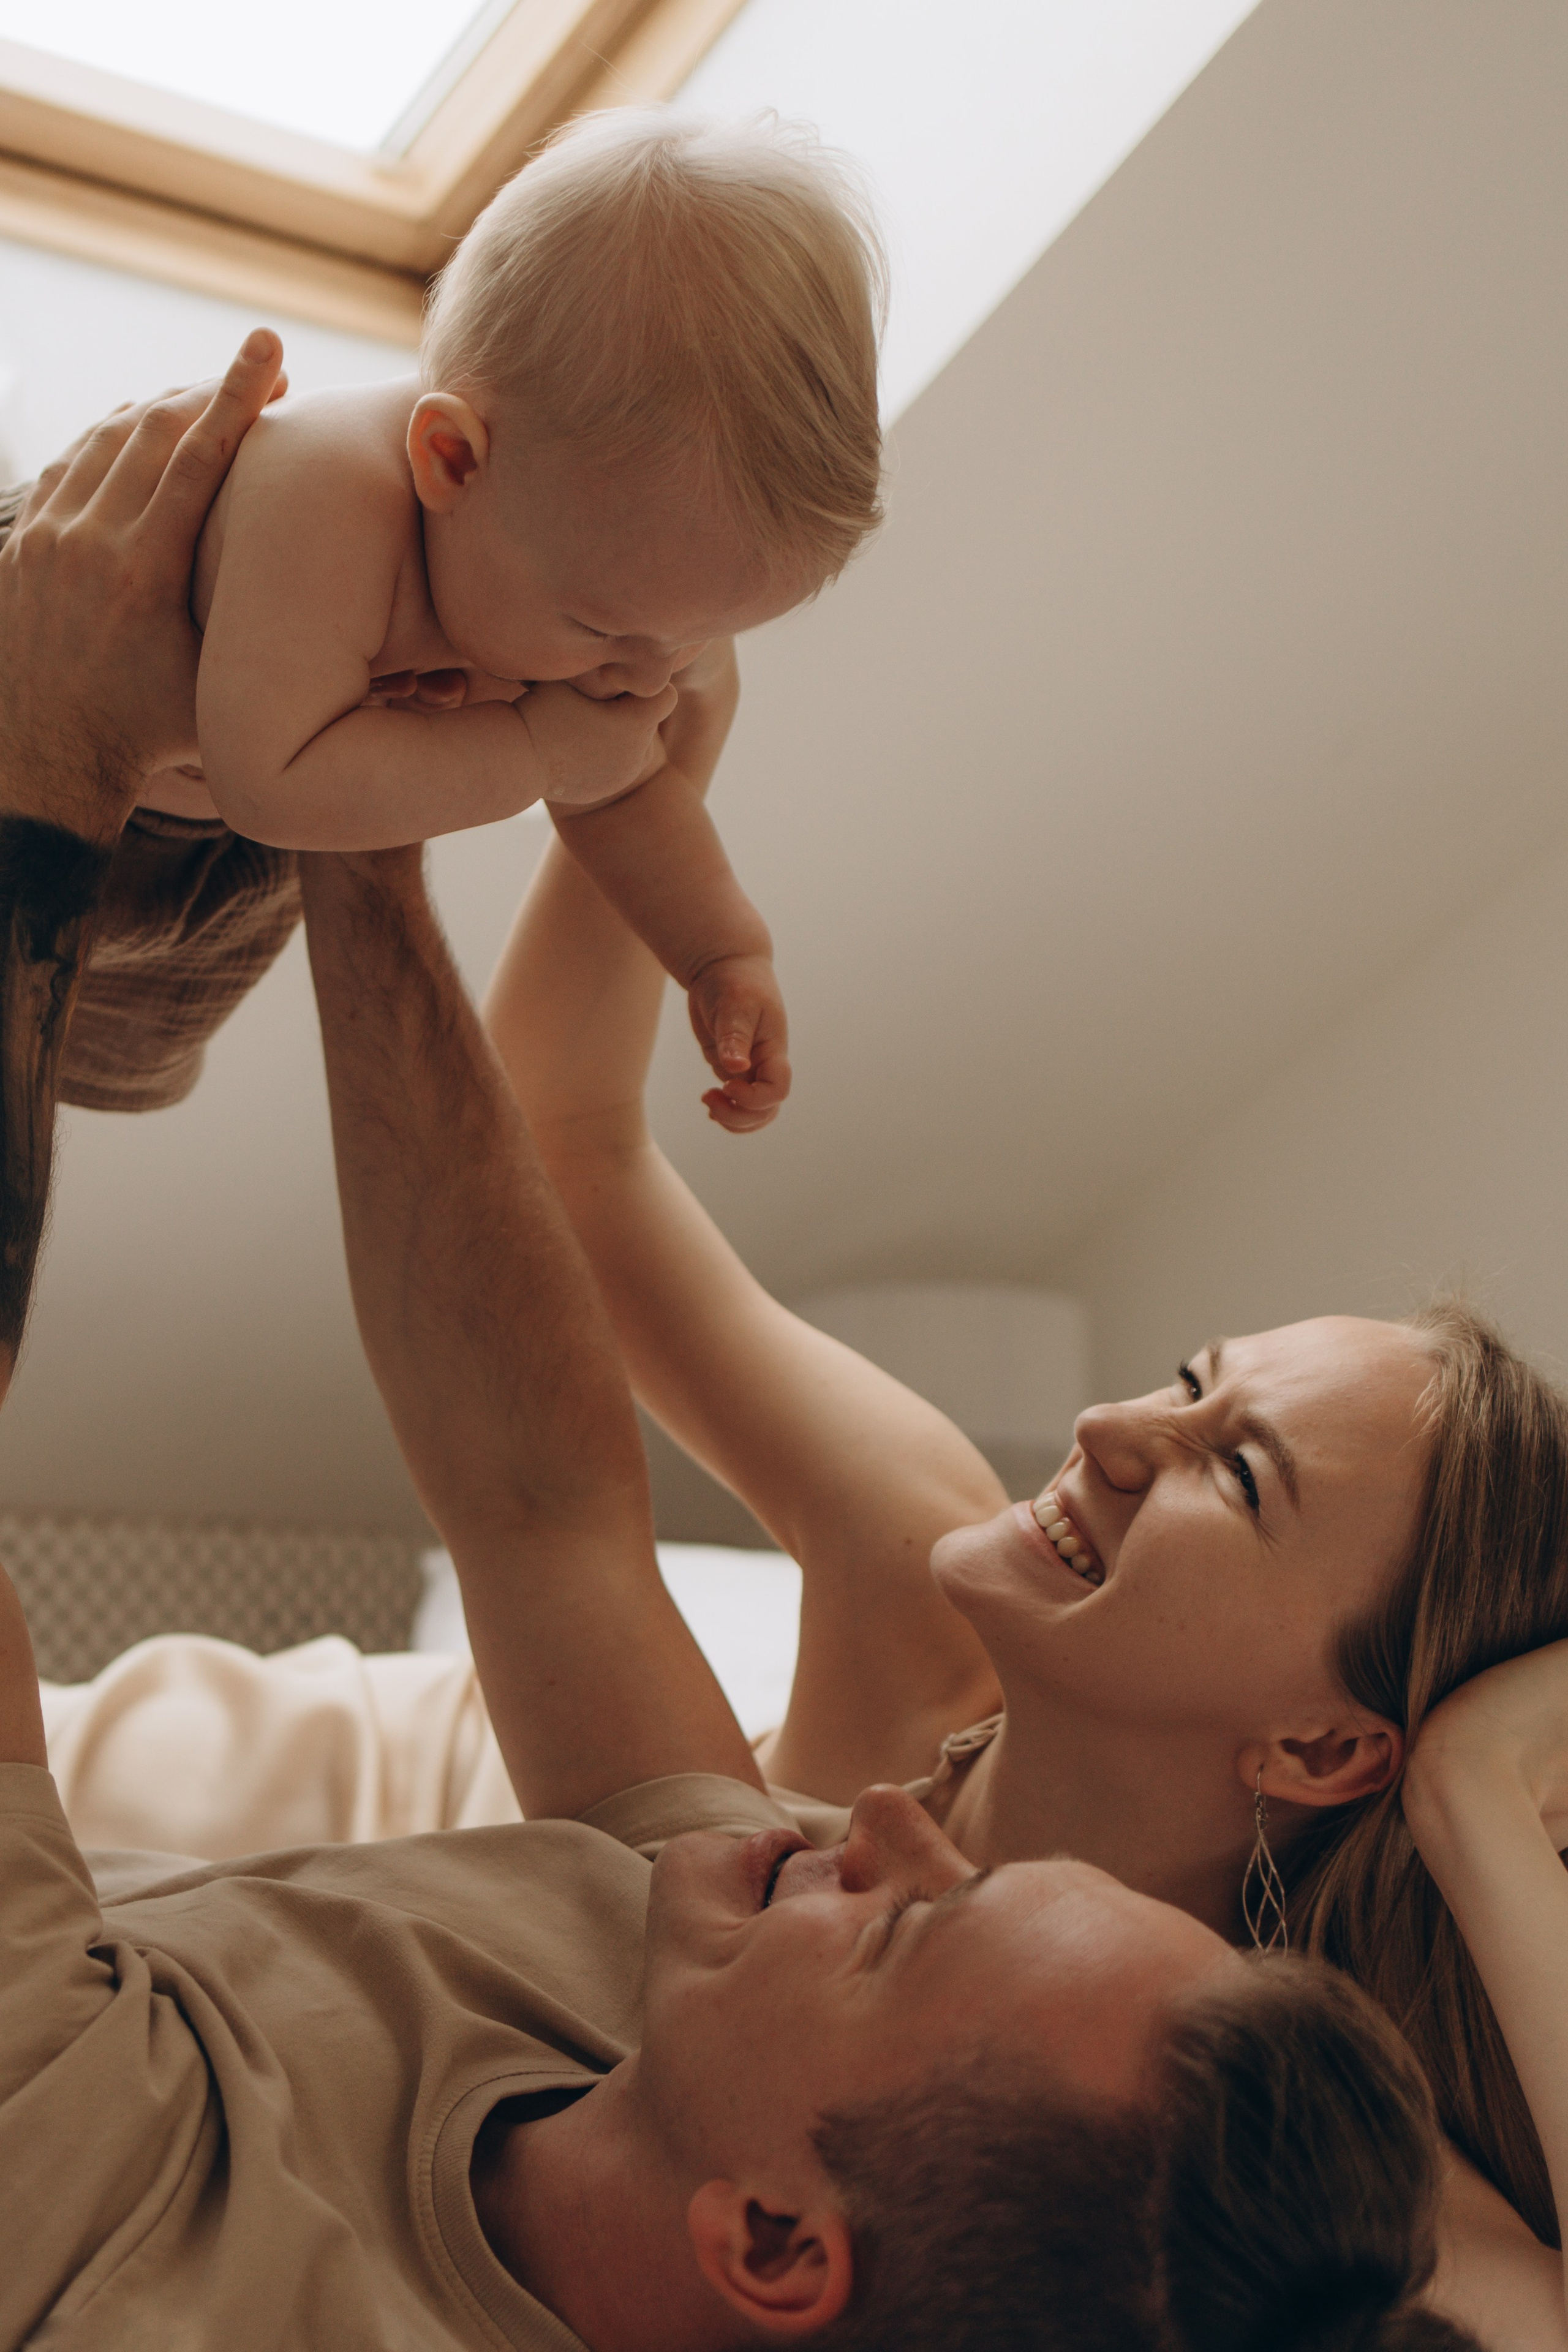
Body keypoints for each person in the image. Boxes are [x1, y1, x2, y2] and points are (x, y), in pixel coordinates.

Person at [0, 364, 1476, 2352]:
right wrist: (352, 810)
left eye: (1243, 1472)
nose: (866, 1824)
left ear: (777, 2245)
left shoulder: (162, 2261)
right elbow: (547, 1517)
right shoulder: (732, 1970)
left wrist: (39, 789)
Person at [483, 721, 1568, 2346]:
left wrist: (1480, 1797)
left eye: (1235, 1474)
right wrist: (645, 759)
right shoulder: (915, 1551)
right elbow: (561, 1157)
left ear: (1332, 1745)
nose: (1111, 1433)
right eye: (1192, 1381)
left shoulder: (1213, 2144)